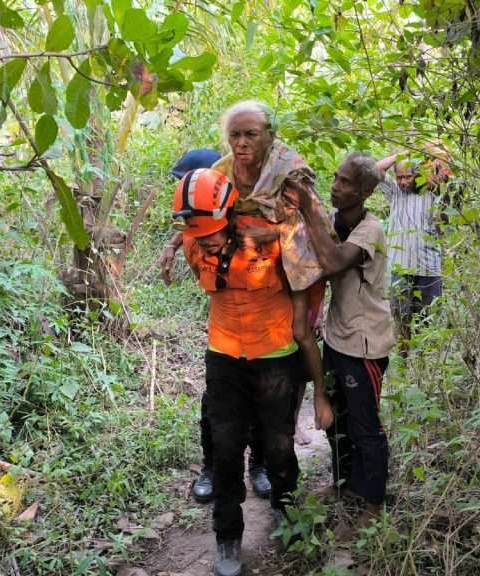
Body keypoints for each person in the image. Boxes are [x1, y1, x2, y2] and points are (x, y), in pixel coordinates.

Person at [171, 168, 331, 576]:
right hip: (223, 354)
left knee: (278, 445)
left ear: (228, 216)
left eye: (211, 230)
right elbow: (202, 271)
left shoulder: (271, 236)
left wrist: (306, 323)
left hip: (275, 352)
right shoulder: (194, 242)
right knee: (225, 450)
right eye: (196, 232)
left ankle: (285, 508)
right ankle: (228, 537)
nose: (204, 238)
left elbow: (310, 271)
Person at [158, 101, 332, 425]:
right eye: (235, 135)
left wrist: (275, 234)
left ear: (269, 135)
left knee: (298, 336)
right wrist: (172, 244)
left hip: (288, 264)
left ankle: (308, 404)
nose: (241, 143)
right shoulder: (221, 171)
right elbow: (201, 215)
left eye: (250, 134)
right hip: (243, 267)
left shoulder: (290, 171)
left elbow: (316, 225)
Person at [288, 153, 394, 525]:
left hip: (364, 343)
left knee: (365, 425)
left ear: (365, 191)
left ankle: (373, 502)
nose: (336, 186)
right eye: (335, 178)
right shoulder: (336, 222)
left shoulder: (371, 229)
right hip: (337, 337)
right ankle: (345, 483)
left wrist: (306, 207)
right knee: (337, 421)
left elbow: (332, 261)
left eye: (346, 182)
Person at [169, 149, 271, 504]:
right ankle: (211, 468)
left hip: (267, 333)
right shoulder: (193, 240)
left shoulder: (258, 230)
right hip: (225, 335)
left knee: (262, 403)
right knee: (215, 406)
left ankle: (259, 465)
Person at [376, 146, 450, 345]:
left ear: (417, 174)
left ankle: (427, 368)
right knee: (401, 321)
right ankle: (405, 366)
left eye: (408, 177)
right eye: (399, 177)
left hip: (429, 270)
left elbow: (447, 167)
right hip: (401, 268)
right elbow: (375, 170)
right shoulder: (395, 194)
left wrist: (429, 155)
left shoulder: (432, 192)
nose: (403, 182)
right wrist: (400, 155)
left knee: (429, 323)